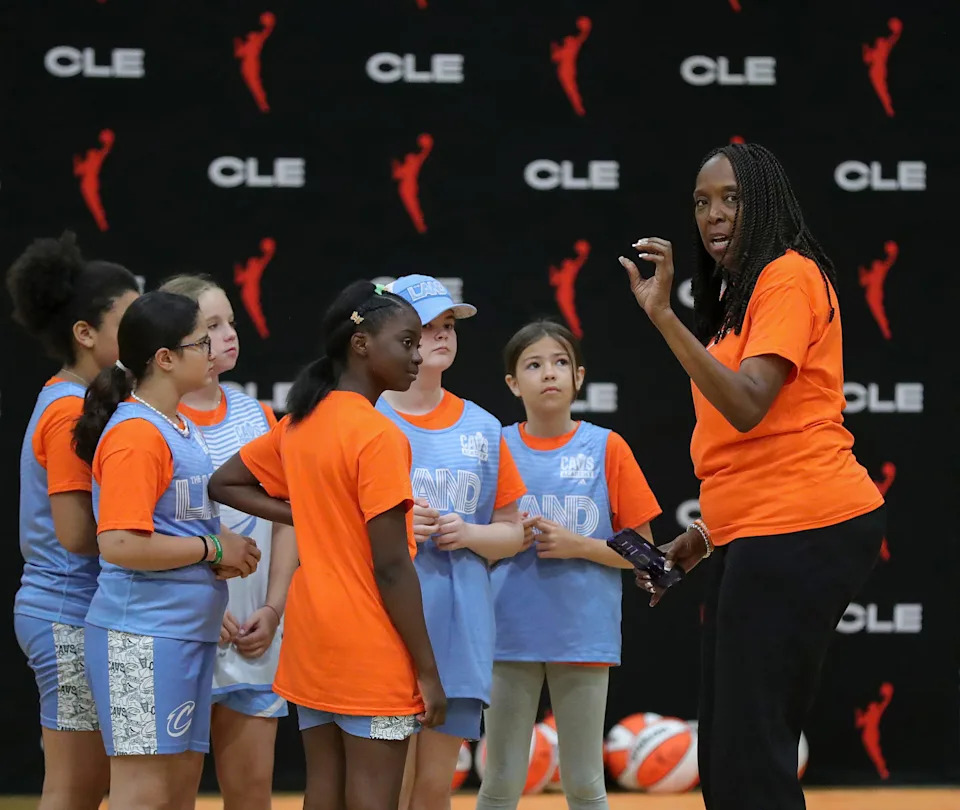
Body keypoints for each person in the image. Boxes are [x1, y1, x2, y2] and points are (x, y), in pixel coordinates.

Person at [619, 142, 885, 810]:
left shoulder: (788, 275)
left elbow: (746, 405)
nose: (714, 214)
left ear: (764, 199)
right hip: (771, 525)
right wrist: (704, 536)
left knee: (750, 746)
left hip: (809, 522)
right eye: (702, 201)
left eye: (732, 197)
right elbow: (756, 450)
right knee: (732, 748)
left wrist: (660, 316)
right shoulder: (746, 292)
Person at [207, 281, 447, 810]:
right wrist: (428, 671)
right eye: (407, 342)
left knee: (324, 795)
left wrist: (310, 513)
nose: (418, 355)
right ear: (361, 345)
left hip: (312, 645)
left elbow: (224, 484)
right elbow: (390, 568)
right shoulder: (379, 436)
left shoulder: (299, 423)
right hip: (372, 648)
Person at [72, 291, 261, 810]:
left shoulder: (176, 427)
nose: (213, 348)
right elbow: (120, 543)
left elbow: (168, 525)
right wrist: (211, 547)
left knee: (176, 791)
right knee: (144, 794)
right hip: (141, 637)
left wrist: (215, 557)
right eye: (202, 340)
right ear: (165, 358)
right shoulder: (137, 434)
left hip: (180, 633)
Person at [476, 320, 662, 810]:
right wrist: (504, 542)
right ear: (513, 383)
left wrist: (579, 545)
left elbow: (649, 554)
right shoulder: (494, 447)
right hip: (505, 634)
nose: (549, 374)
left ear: (579, 377)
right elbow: (471, 543)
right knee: (498, 783)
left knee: (584, 784)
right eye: (533, 365)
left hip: (582, 634)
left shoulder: (607, 447)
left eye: (560, 363)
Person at [376, 275, 527, 810]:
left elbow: (512, 532)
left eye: (448, 326)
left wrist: (470, 533)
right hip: (384, 626)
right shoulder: (367, 419)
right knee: (384, 787)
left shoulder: (484, 428)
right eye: (426, 327)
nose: (441, 336)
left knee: (434, 788)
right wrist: (391, 530)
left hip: (460, 626)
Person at [8, 232, 140, 810]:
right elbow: (77, 536)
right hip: (64, 612)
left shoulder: (83, 401)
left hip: (76, 610)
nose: (144, 338)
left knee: (88, 786)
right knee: (75, 788)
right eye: (129, 323)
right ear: (84, 334)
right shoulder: (67, 413)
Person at [160, 274, 298, 810]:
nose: (229, 336)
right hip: (182, 632)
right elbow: (135, 528)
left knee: (251, 799)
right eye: (211, 326)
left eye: (231, 323)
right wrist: (196, 603)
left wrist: (275, 606)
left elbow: (287, 519)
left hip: (253, 636)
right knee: (170, 798)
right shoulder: (148, 421)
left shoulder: (257, 415)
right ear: (173, 341)